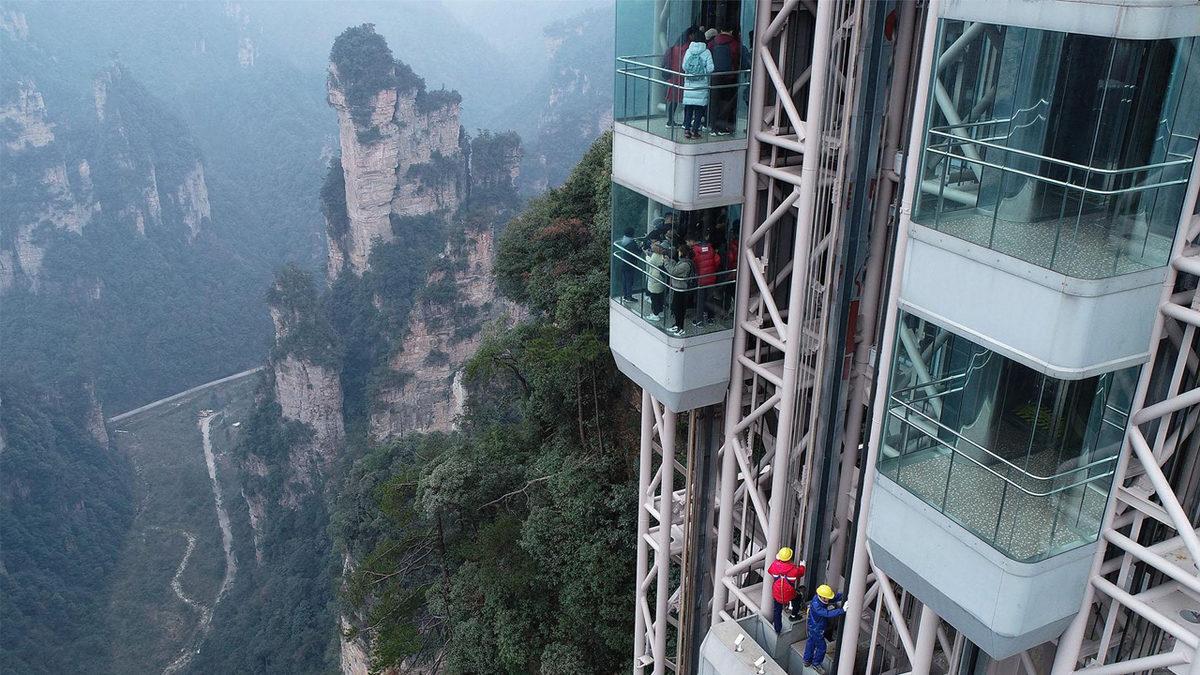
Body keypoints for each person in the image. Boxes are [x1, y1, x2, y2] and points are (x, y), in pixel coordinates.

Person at [804, 584, 846, 673]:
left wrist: (844, 595)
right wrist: (842, 610)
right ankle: (816, 663)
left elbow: (832, 598)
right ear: (822, 597)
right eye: (827, 598)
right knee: (822, 647)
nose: (828, 599)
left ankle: (807, 660)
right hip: (817, 629)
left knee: (811, 643)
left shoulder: (819, 599)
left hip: (813, 627)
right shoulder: (817, 606)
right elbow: (827, 613)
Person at [707, 26, 742, 135]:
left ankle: (712, 126)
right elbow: (737, 60)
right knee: (727, 101)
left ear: (721, 30)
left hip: (714, 76)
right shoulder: (735, 44)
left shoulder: (712, 43)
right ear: (731, 30)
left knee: (714, 101)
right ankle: (722, 126)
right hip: (729, 77)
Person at [681, 28, 714, 140]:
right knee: (699, 110)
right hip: (701, 86)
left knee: (688, 109)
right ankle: (695, 131)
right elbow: (711, 68)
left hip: (689, 85)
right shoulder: (707, 52)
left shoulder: (688, 51)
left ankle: (686, 130)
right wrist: (701, 72)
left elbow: (684, 66)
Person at [768, 547, 806, 634]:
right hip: (789, 593)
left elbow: (769, 571)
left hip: (777, 593)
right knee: (798, 597)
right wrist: (802, 565)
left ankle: (777, 629)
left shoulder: (774, 565)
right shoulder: (793, 570)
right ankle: (793, 615)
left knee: (777, 611)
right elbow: (801, 573)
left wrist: (778, 562)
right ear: (789, 558)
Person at [662, 27, 693, 128]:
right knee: (687, 101)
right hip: (684, 76)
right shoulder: (688, 47)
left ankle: (670, 121)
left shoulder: (675, 47)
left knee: (674, 101)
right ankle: (686, 122)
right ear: (690, 36)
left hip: (674, 76)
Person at [690, 234, 721, 326]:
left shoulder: (694, 250)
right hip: (711, 277)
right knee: (710, 298)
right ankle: (710, 318)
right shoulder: (710, 249)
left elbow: (693, 264)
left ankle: (699, 320)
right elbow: (717, 260)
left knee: (700, 299)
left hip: (700, 278)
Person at [666, 243, 694, 334]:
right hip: (677, 288)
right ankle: (677, 324)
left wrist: (666, 262)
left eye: (679, 251)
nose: (678, 253)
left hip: (681, 289)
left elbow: (673, 271)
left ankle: (681, 328)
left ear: (683, 253)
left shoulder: (685, 264)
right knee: (675, 307)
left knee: (679, 309)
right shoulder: (682, 261)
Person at [645, 241, 667, 321]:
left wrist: (647, 256)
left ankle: (655, 314)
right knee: (660, 296)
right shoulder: (663, 255)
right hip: (660, 277)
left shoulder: (655, 256)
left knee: (654, 298)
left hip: (655, 277)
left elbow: (651, 263)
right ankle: (660, 312)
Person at [616, 227, 638, 301]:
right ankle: (629, 297)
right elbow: (636, 253)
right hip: (630, 265)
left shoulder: (624, 241)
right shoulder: (632, 243)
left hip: (624, 264)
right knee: (629, 281)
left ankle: (625, 295)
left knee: (625, 281)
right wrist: (641, 248)